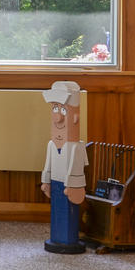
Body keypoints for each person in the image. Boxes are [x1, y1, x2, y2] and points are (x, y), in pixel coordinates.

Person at [40, 80, 87, 254]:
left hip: (69, 186)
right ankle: (57, 238)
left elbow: (76, 168)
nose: (57, 117)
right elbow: (48, 164)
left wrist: (72, 186)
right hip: (55, 182)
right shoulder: (52, 145)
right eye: (54, 109)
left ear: (74, 117)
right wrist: (45, 181)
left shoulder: (76, 147)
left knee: (68, 214)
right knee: (57, 213)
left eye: (62, 110)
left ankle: (68, 240)